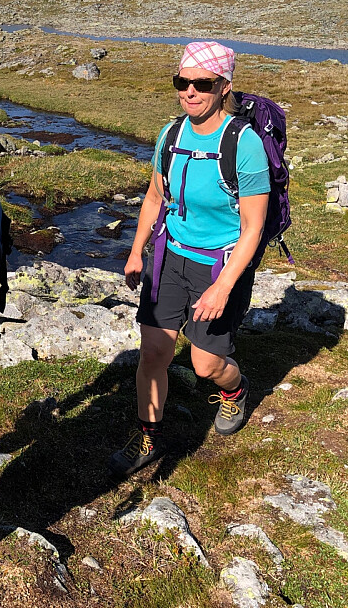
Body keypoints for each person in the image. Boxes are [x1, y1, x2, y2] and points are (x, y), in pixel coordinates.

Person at [110, 41, 270, 477]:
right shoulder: (172, 135)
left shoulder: (244, 144)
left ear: (224, 87)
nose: (190, 92)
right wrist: (136, 251)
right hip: (169, 258)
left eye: (203, 83)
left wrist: (223, 287)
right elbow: (154, 196)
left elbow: (253, 228)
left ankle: (235, 390)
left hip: (219, 266)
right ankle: (148, 436)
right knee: (153, 352)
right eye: (182, 82)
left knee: (206, 364)